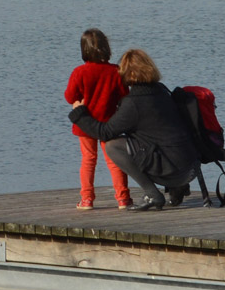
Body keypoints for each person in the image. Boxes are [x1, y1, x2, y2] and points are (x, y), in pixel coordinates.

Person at [68, 49, 199, 211]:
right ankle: (175, 187)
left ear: (126, 74)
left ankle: (153, 194)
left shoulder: (134, 103)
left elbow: (105, 132)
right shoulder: (162, 91)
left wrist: (79, 114)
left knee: (113, 146)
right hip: (191, 167)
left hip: (172, 170)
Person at [65, 28, 132, 210]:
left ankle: (87, 199)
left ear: (84, 49)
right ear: (106, 47)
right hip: (110, 123)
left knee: (88, 160)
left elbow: (70, 97)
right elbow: (125, 95)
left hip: (85, 123)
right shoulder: (116, 71)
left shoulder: (80, 72)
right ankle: (123, 198)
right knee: (115, 160)